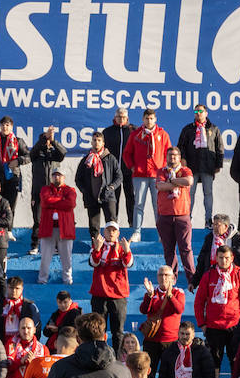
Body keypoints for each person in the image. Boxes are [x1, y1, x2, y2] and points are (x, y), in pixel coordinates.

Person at [194, 245, 240, 371]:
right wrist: (202, 323)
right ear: (216, 258)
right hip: (213, 326)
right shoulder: (208, 276)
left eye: (227, 258)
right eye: (221, 258)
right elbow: (199, 301)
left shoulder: (239, 275)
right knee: (213, 362)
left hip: (235, 325)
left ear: (232, 258)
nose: (224, 261)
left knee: (236, 360)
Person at [123, 108, 171, 241]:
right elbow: (127, 153)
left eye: (151, 118)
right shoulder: (136, 134)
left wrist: (164, 170)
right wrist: (132, 167)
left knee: (158, 205)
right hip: (140, 175)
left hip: (158, 176)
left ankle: (161, 233)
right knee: (138, 204)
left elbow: (168, 153)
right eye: (146, 118)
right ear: (143, 119)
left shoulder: (162, 134)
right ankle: (137, 232)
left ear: (155, 119)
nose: (149, 121)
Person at [88, 223, 132, 349]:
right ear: (104, 232)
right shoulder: (97, 245)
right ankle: (99, 356)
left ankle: (117, 361)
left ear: (118, 233)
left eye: (114, 230)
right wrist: (97, 249)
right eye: (108, 230)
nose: (111, 233)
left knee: (118, 331)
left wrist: (127, 250)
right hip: (99, 295)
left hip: (118, 296)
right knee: (97, 331)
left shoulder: (123, 247)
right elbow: (93, 263)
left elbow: (128, 263)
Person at [153, 147, 194, 280]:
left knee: (185, 248)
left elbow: (188, 181)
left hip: (182, 215)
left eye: (175, 155)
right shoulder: (161, 171)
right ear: (167, 157)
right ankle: (172, 278)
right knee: (168, 250)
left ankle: (191, 277)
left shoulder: (185, 170)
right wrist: (177, 183)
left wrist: (170, 181)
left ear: (179, 157)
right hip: (164, 216)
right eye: (170, 155)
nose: (173, 158)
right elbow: (160, 186)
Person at [138, 265, 184, 378]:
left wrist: (170, 296)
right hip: (151, 340)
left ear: (173, 278)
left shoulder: (178, 292)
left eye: (166, 275)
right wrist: (149, 295)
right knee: (149, 374)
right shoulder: (152, 293)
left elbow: (179, 309)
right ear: (157, 278)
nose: (163, 278)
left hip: (170, 341)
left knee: (168, 375)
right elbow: (144, 310)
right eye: (160, 275)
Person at [177, 104, 224, 218]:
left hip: (208, 166)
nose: (198, 114)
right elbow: (181, 146)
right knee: (189, 194)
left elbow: (219, 148)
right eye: (196, 112)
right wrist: (182, 160)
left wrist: (218, 164)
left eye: (201, 111)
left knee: (208, 193)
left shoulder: (214, 128)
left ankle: (208, 219)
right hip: (191, 167)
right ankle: (187, 218)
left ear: (206, 113)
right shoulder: (188, 129)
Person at [74, 130, 122, 239]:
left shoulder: (110, 158)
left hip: (108, 196)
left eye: (99, 140)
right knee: (94, 227)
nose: (96, 142)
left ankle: (112, 250)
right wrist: (85, 190)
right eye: (94, 140)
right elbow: (78, 179)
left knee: (111, 224)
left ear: (103, 143)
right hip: (91, 197)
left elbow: (119, 176)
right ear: (91, 142)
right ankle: (96, 251)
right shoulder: (86, 160)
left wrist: (111, 187)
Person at [29, 127, 69, 253]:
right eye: (45, 140)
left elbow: (63, 152)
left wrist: (53, 141)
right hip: (38, 193)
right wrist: (45, 138)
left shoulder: (54, 155)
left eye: (48, 140)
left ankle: (55, 246)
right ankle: (35, 245)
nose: (47, 142)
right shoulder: (35, 156)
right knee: (38, 220)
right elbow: (33, 151)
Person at [37, 167, 77, 284]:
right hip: (48, 228)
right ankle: (42, 279)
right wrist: (61, 200)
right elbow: (45, 201)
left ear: (64, 177)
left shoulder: (70, 190)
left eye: (59, 175)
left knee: (66, 258)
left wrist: (53, 201)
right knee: (45, 257)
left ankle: (67, 279)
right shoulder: (45, 189)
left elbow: (70, 204)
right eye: (54, 175)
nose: (56, 177)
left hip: (65, 229)